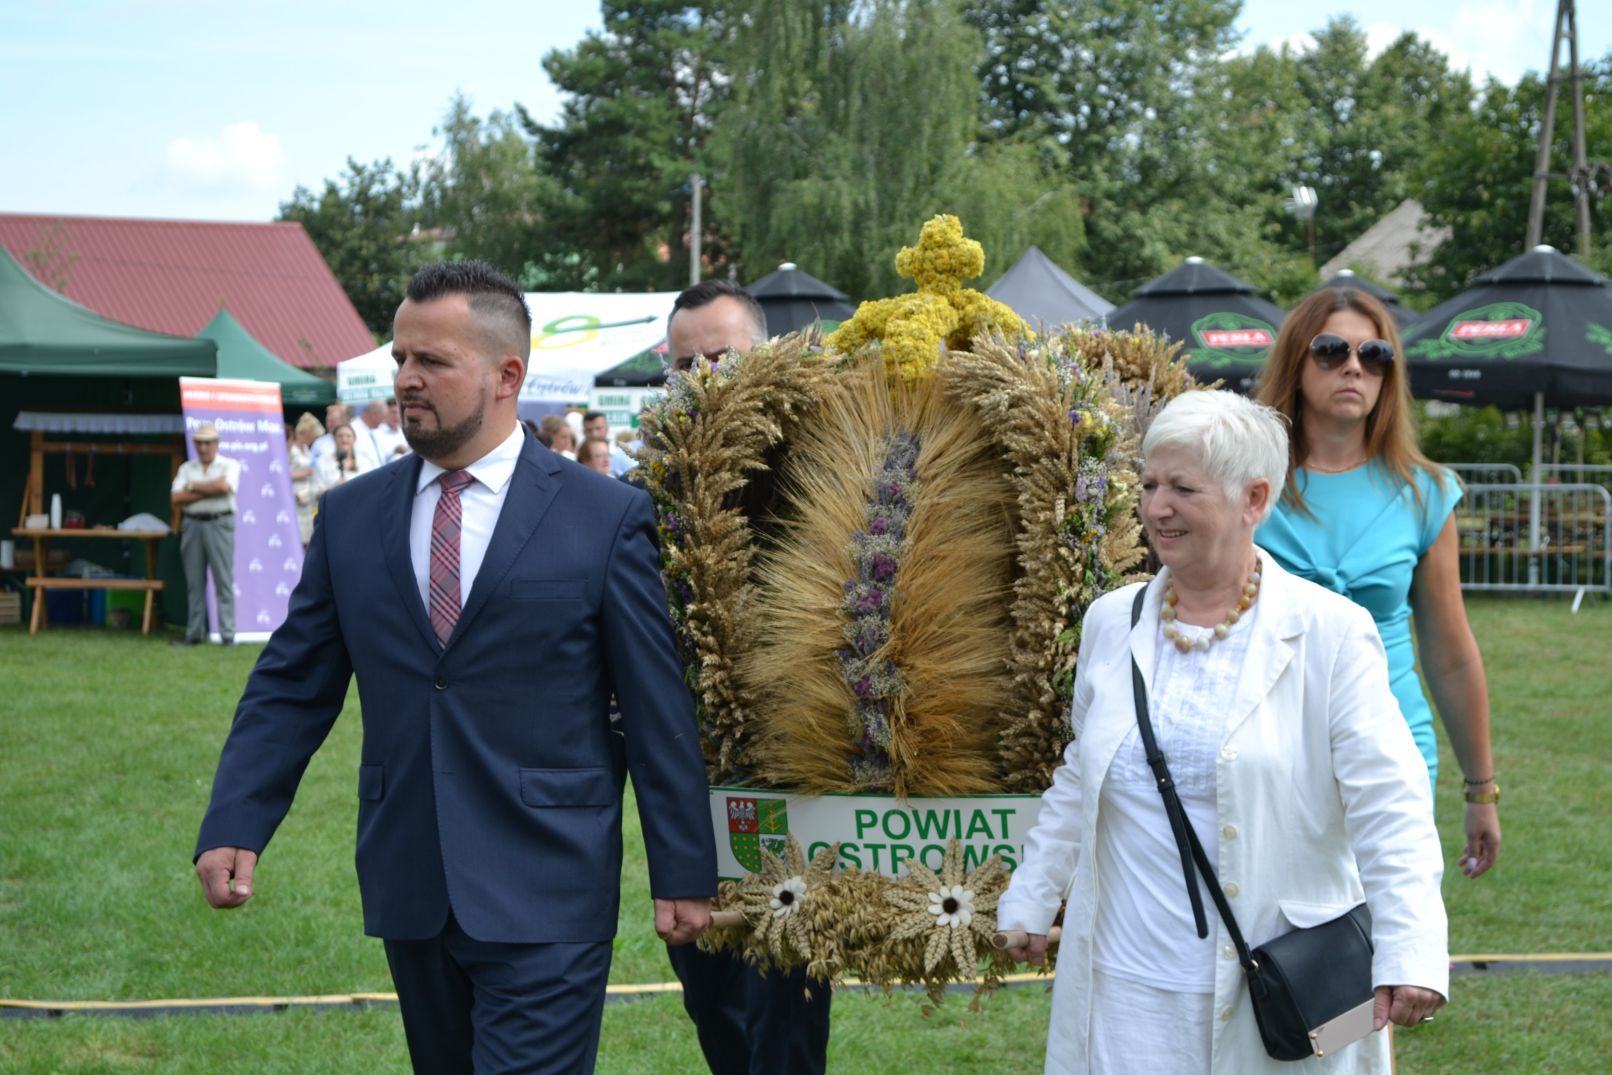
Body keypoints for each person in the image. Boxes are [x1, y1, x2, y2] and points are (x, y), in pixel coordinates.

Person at [193, 260, 717, 1074]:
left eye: (431, 361)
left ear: (507, 375)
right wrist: (236, 819)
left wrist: (683, 866)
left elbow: (655, 706)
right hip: (411, 882)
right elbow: (293, 684)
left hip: (550, 886)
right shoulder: (352, 516)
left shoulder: (605, 516)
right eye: (401, 357)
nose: (406, 379)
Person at [998, 390, 1448, 1074]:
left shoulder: (1332, 632)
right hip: (1126, 987)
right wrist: (1033, 892)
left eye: (1183, 487)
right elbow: (1080, 771)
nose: (1156, 507)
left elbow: (1392, 804)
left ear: (1254, 499)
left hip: (1290, 983)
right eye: (1148, 484)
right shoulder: (1109, 621)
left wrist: (1410, 949)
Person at [1254, 287, 1501, 880]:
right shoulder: (1246, 484)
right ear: (1296, 360)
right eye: (1332, 349)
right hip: (1265, 745)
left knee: (1393, 950)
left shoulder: (1425, 494)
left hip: (1393, 745)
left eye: (1375, 354)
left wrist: (1482, 789)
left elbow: (1450, 655)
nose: (1354, 366)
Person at [660, 279, 832, 1075]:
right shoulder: (655, 489)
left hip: (791, 777)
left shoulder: (818, 476)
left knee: (783, 1002)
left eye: (722, 357)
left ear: (764, 354)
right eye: (685, 363)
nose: (704, 377)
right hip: (687, 789)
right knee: (709, 995)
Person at [170, 422, 240, 646]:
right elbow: (176, 499)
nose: (203, 448)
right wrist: (208, 489)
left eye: (207, 443)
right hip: (192, 524)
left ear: (216, 444)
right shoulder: (186, 468)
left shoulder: (230, 464)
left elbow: (224, 487)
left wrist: (192, 487)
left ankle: (228, 634)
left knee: (223, 580)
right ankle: (194, 634)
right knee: (194, 582)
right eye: (199, 443)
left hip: (219, 523)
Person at [288, 412, 323, 546]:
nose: (314, 439)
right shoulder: (291, 450)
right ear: (305, 433)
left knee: (307, 535)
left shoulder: (306, 449)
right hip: (295, 495)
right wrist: (304, 473)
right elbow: (284, 474)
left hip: (307, 497)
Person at [312, 424, 369, 494]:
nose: (344, 439)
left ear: (354, 439)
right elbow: (316, 492)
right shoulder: (323, 462)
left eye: (348, 436)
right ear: (333, 438)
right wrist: (334, 488)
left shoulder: (364, 462)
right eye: (340, 436)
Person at [583, 410, 636, 477]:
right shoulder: (578, 455)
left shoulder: (621, 454)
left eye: (598, 428)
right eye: (589, 430)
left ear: (607, 429)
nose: (594, 434)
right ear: (584, 432)